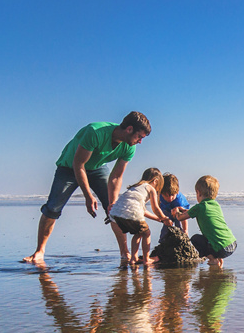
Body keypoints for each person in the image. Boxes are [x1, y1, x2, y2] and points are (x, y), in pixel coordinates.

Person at [22, 111, 151, 264]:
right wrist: (88, 195)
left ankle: (125, 253)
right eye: (140, 137)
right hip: (69, 167)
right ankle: (39, 252)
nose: (140, 142)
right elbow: (79, 164)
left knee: (115, 210)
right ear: (129, 129)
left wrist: (113, 201)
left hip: (97, 169)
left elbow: (116, 177)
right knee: (52, 208)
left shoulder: (130, 147)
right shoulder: (95, 132)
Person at [109, 168, 172, 267]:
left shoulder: (135, 188)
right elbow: (155, 208)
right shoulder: (150, 188)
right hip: (132, 211)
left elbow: (142, 211)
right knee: (146, 233)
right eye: (158, 186)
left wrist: (159, 219)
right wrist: (164, 218)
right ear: (155, 181)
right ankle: (146, 259)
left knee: (138, 233)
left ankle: (133, 259)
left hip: (116, 213)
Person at [173, 175, 237, 268]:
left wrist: (176, 212)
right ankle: (219, 258)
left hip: (222, 248)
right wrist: (185, 210)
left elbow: (180, 218)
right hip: (232, 243)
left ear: (198, 193)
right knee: (213, 238)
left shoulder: (199, 207)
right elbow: (196, 213)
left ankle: (213, 259)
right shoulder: (216, 205)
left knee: (196, 239)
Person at [157, 173, 190, 243]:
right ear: (161, 192)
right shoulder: (159, 194)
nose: (170, 198)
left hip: (179, 210)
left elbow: (183, 217)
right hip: (166, 209)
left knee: (178, 225)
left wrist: (185, 230)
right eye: (166, 195)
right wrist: (162, 217)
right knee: (166, 226)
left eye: (172, 195)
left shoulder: (178, 200)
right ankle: (163, 241)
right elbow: (157, 204)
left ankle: (182, 240)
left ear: (177, 192)